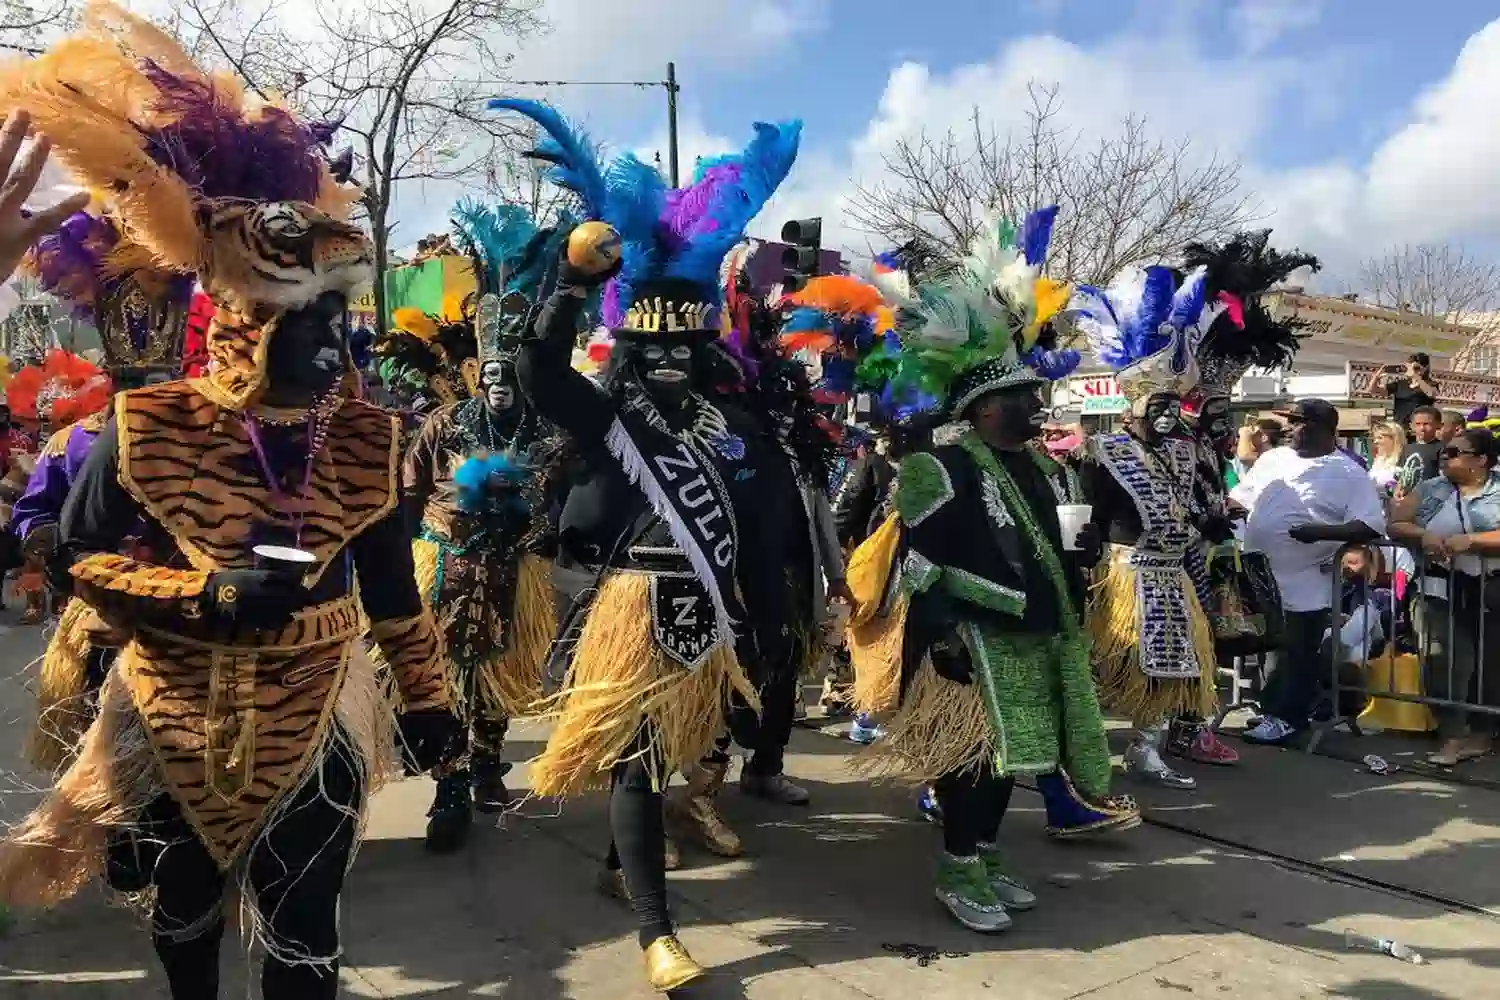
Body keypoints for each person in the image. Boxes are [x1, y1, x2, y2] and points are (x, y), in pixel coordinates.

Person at [0, 11, 458, 998]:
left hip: (319, 718)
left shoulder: (366, 438)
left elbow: (389, 584)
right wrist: (199, 600)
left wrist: (428, 703)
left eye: (340, 314)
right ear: (245, 315)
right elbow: (76, 561)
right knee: (186, 921)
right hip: (171, 717)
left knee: (305, 942)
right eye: (308, 315)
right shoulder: (147, 426)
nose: (333, 340)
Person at [493, 97, 800, 991]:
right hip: (628, 610)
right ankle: (658, 934)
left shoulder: (737, 427)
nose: (667, 364)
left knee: (678, 760)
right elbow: (541, 375)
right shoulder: (603, 415)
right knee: (636, 764)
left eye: (682, 352)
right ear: (626, 347)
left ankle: (627, 869)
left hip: (710, 616)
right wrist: (577, 287)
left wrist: (774, 624)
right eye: (649, 351)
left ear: (704, 349)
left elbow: (764, 528)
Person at [855, 207, 1138, 932]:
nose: (1035, 406)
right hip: (971, 647)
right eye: (1019, 398)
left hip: (1038, 638)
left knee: (1015, 760)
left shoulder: (1042, 468)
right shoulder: (936, 467)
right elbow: (919, 564)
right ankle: (957, 863)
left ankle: (981, 850)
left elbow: (1048, 544)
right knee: (972, 764)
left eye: (1033, 396)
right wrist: (947, 636)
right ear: (981, 410)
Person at [397, 201, 572, 851]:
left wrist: (545, 527)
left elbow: (556, 485)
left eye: (508, 375)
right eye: (489, 374)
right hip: (443, 561)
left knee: (498, 672)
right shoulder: (446, 422)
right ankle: (450, 772)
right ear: (478, 373)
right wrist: (407, 544)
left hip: (509, 568)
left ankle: (488, 766)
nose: (498, 384)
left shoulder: (540, 428)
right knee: (442, 673)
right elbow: (412, 483)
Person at [11, 210, 191, 768]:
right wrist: (56, 542)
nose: (146, 397)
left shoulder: (210, 436)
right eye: (134, 385)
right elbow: (32, 511)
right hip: (96, 623)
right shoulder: (74, 443)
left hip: (190, 625)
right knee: (101, 760)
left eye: (156, 385)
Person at [1074, 263, 1228, 790]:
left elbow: (1193, 507)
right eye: (1157, 404)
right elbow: (1086, 513)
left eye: (1170, 404)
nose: (1166, 414)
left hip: (1172, 571)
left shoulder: (1186, 453)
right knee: (1110, 660)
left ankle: (1147, 747)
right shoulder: (1103, 451)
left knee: (1173, 666)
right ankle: (1085, 746)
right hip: (1121, 572)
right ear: (1133, 404)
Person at [1170, 229, 1319, 767]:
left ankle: (1192, 730)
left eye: (1224, 412)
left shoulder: (1209, 448)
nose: (1221, 421)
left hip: (1205, 562)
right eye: (1213, 411)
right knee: (1185, 652)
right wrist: (1210, 515)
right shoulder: (1180, 445)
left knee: (1208, 649)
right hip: (1177, 564)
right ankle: (1178, 732)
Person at [1236, 399, 1385, 745]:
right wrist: (1227, 509)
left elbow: (1370, 525)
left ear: (1322, 428)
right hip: (1262, 574)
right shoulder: (1274, 458)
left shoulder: (1348, 472)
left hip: (1307, 579)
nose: (1289, 428)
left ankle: (1289, 718)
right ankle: (1273, 710)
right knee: (1273, 647)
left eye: (1298, 422)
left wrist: (1320, 533)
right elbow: (1243, 496)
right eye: (1289, 422)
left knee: (1299, 649)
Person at [1388, 426, 1500, 766]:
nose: (1444, 457)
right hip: (1436, 588)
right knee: (1443, 660)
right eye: (1444, 452)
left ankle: (1481, 735)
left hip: (1490, 588)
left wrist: (1474, 541)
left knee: (1490, 664)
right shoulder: (1430, 487)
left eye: (1454, 452)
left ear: (1480, 460)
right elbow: (1396, 523)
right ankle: (1451, 736)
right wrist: (1422, 535)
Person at [1397, 405, 1444, 497]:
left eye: (1427, 424)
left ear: (1439, 425)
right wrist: (1398, 489)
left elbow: (1443, 478)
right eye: (1418, 424)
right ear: (1411, 426)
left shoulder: (1442, 448)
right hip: (1407, 498)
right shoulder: (1407, 448)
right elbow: (1402, 473)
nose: (1422, 428)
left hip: (1430, 497)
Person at [1386, 353, 1438, 429]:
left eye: (1417, 368)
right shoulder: (1400, 383)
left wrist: (1415, 376)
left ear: (1426, 368)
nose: (1414, 370)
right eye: (1411, 367)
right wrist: (1377, 376)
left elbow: (1431, 393)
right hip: (1399, 426)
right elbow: (1374, 391)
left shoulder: (1430, 383)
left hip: (1418, 427)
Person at [1368, 421, 1406, 496]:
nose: (1375, 442)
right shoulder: (1378, 461)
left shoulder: (1403, 460)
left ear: (1394, 439)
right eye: (1375, 438)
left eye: (1380, 438)